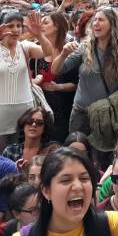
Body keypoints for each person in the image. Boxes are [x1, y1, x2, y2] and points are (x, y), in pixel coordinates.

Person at [50, 7, 118, 151]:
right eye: (94, 20)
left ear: (112, 24)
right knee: (75, 153)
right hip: (80, 114)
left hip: (106, 116)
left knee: (103, 155)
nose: (95, 23)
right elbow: (56, 70)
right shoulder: (85, 47)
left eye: (101, 20)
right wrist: (64, 53)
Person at [0, 11, 54, 145]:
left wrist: (39, 34)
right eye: (10, 26)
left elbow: (48, 52)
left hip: (24, 112)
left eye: (18, 26)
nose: (15, 30)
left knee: (20, 153)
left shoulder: (25, 46)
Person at [32, 12, 76, 143]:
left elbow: (77, 84)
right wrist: (34, 81)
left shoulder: (70, 51)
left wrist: (58, 87)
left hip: (63, 109)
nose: (42, 26)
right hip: (40, 108)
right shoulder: (34, 50)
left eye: (45, 23)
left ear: (56, 26)